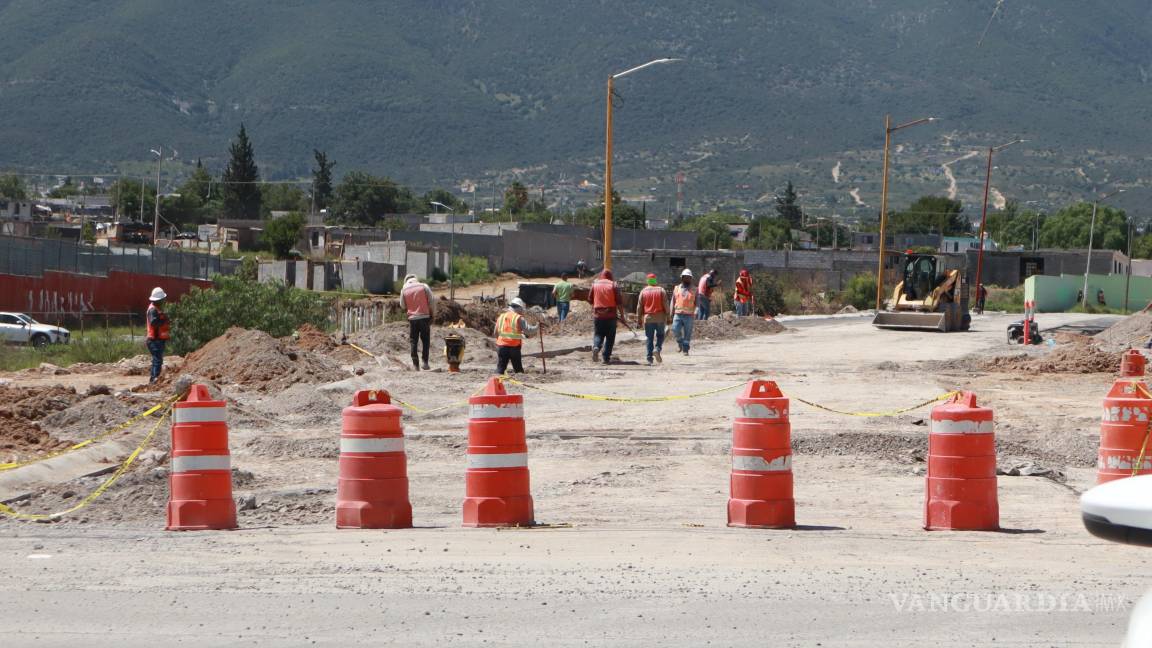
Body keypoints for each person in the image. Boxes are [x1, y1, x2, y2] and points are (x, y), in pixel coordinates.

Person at [399, 274, 435, 370]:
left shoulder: (404, 290)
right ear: (416, 280)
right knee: (426, 340)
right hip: (425, 317)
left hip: (412, 319)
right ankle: (425, 362)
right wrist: (432, 314)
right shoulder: (424, 286)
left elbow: (402, 305)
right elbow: (432, 301)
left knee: (413, 341)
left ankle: (415, 365)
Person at [591, 269, 626, 364]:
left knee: (598, 334)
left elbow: (590, 299)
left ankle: (596, 347)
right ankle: (605, 358)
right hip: (611, 316)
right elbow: (619, 303)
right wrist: (622, 316)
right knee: (610, 337)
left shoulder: (595, 284)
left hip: (598, 315)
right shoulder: (613, 285)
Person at [494, 298, 537, 374]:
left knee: (500, 368)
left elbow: (496, 333)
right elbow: (529, 331)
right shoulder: (518, 318)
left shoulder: (501, 317)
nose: (522, 311)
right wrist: (537, 327)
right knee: (518, 369)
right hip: (514, 347)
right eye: (521, 309)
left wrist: (500, 342)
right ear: (518, 308)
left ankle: (496, 382)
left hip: (501, 347)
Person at [636, 273, 668, 366]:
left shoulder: (643, 291)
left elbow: (639, 307)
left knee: (649, 338)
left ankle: (649, 358)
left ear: (647, 281)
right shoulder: (661, 290)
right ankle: (657, 349)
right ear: (655, 280)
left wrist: (639, 319)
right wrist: (669, 315)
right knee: (661, 336)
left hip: (648, 318)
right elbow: (666, 304)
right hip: (660, 318)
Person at [145, 287, 170, 384]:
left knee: (157, 360)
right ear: (159, 300)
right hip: (154, 340)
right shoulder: (153, 310)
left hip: (158, 340)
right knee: (157, 360)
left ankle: (153, 379)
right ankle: (155, 379)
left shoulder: (157, 309)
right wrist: (164, 320)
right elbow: (153, 322)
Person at [671, 269, 697, 355]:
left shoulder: (694, 289)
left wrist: (696, 312)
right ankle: (680, 343)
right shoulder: (677, 288)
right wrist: (670, 312)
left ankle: (685, 349)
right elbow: (673, 301)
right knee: (675, 329)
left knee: (687, 333)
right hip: (678, 313)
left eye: (688, 278)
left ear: (691, 278)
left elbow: (698, 302)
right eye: (685, 277)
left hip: (689, 315)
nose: (687, 279)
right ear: (682, 278)